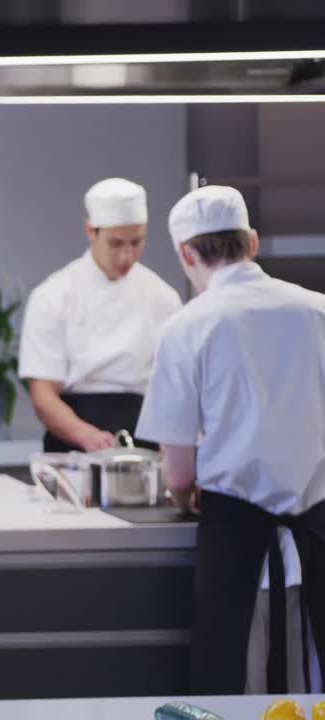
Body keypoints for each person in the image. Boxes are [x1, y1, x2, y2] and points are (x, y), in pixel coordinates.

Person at [136, 185, 324, 694]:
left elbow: (177, 471)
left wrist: (182, 493)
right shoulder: (318, 309)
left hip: (234, 534)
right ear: (253, 242)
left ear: (185, 253)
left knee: (232, 683)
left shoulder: (186, 326)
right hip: (317, 528)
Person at [20, 178, 181, 454]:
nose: (127, 255)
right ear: (90, 231)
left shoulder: (163, 298)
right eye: (116, 243)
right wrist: (86, 436)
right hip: (71, 442)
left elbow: (173, 390)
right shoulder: (53, 295)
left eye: (136, 242)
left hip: (143, 441)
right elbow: (43, 394)